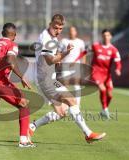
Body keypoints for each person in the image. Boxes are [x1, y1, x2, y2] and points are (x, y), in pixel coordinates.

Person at [29, 14, 106, 143]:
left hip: (50, 79)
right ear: (50, 24)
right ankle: (88, 133)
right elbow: (50, 60)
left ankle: (32, 127)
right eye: (55, 28)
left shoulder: (52, 37)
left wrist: (58, 60)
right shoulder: (46, 38)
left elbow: (52, 59)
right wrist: (65, 53)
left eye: (60, 29)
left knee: (62, 112)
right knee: (72, 101)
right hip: (45, 80)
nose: (58, 31)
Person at [91, 29, 122, 119]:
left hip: (107, 74)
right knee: (102, 89)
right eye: (104, 35)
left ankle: (104, 109)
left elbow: (118, 62)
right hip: (96, 72)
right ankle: (105, 109)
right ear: (102, 36)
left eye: (108, 35)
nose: (106, 37)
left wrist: (118, 69)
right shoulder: (95, 46)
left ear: (111, 37)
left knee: (110, 95)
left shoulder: (114, 50)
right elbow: (86, 51)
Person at [59, 26, 86, 106]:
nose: (72, 32)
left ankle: (77, 104)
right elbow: (59, 52)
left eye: (73, 31)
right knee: (65, 86)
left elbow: (83, 54)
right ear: (68, 32)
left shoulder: (80, 42)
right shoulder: (64, 41)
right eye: (70, 31)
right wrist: (59, 61)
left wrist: (83, 64)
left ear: (76, 32)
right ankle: (65, 104)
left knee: (76, 85)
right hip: (66, 66)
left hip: (76, 66)